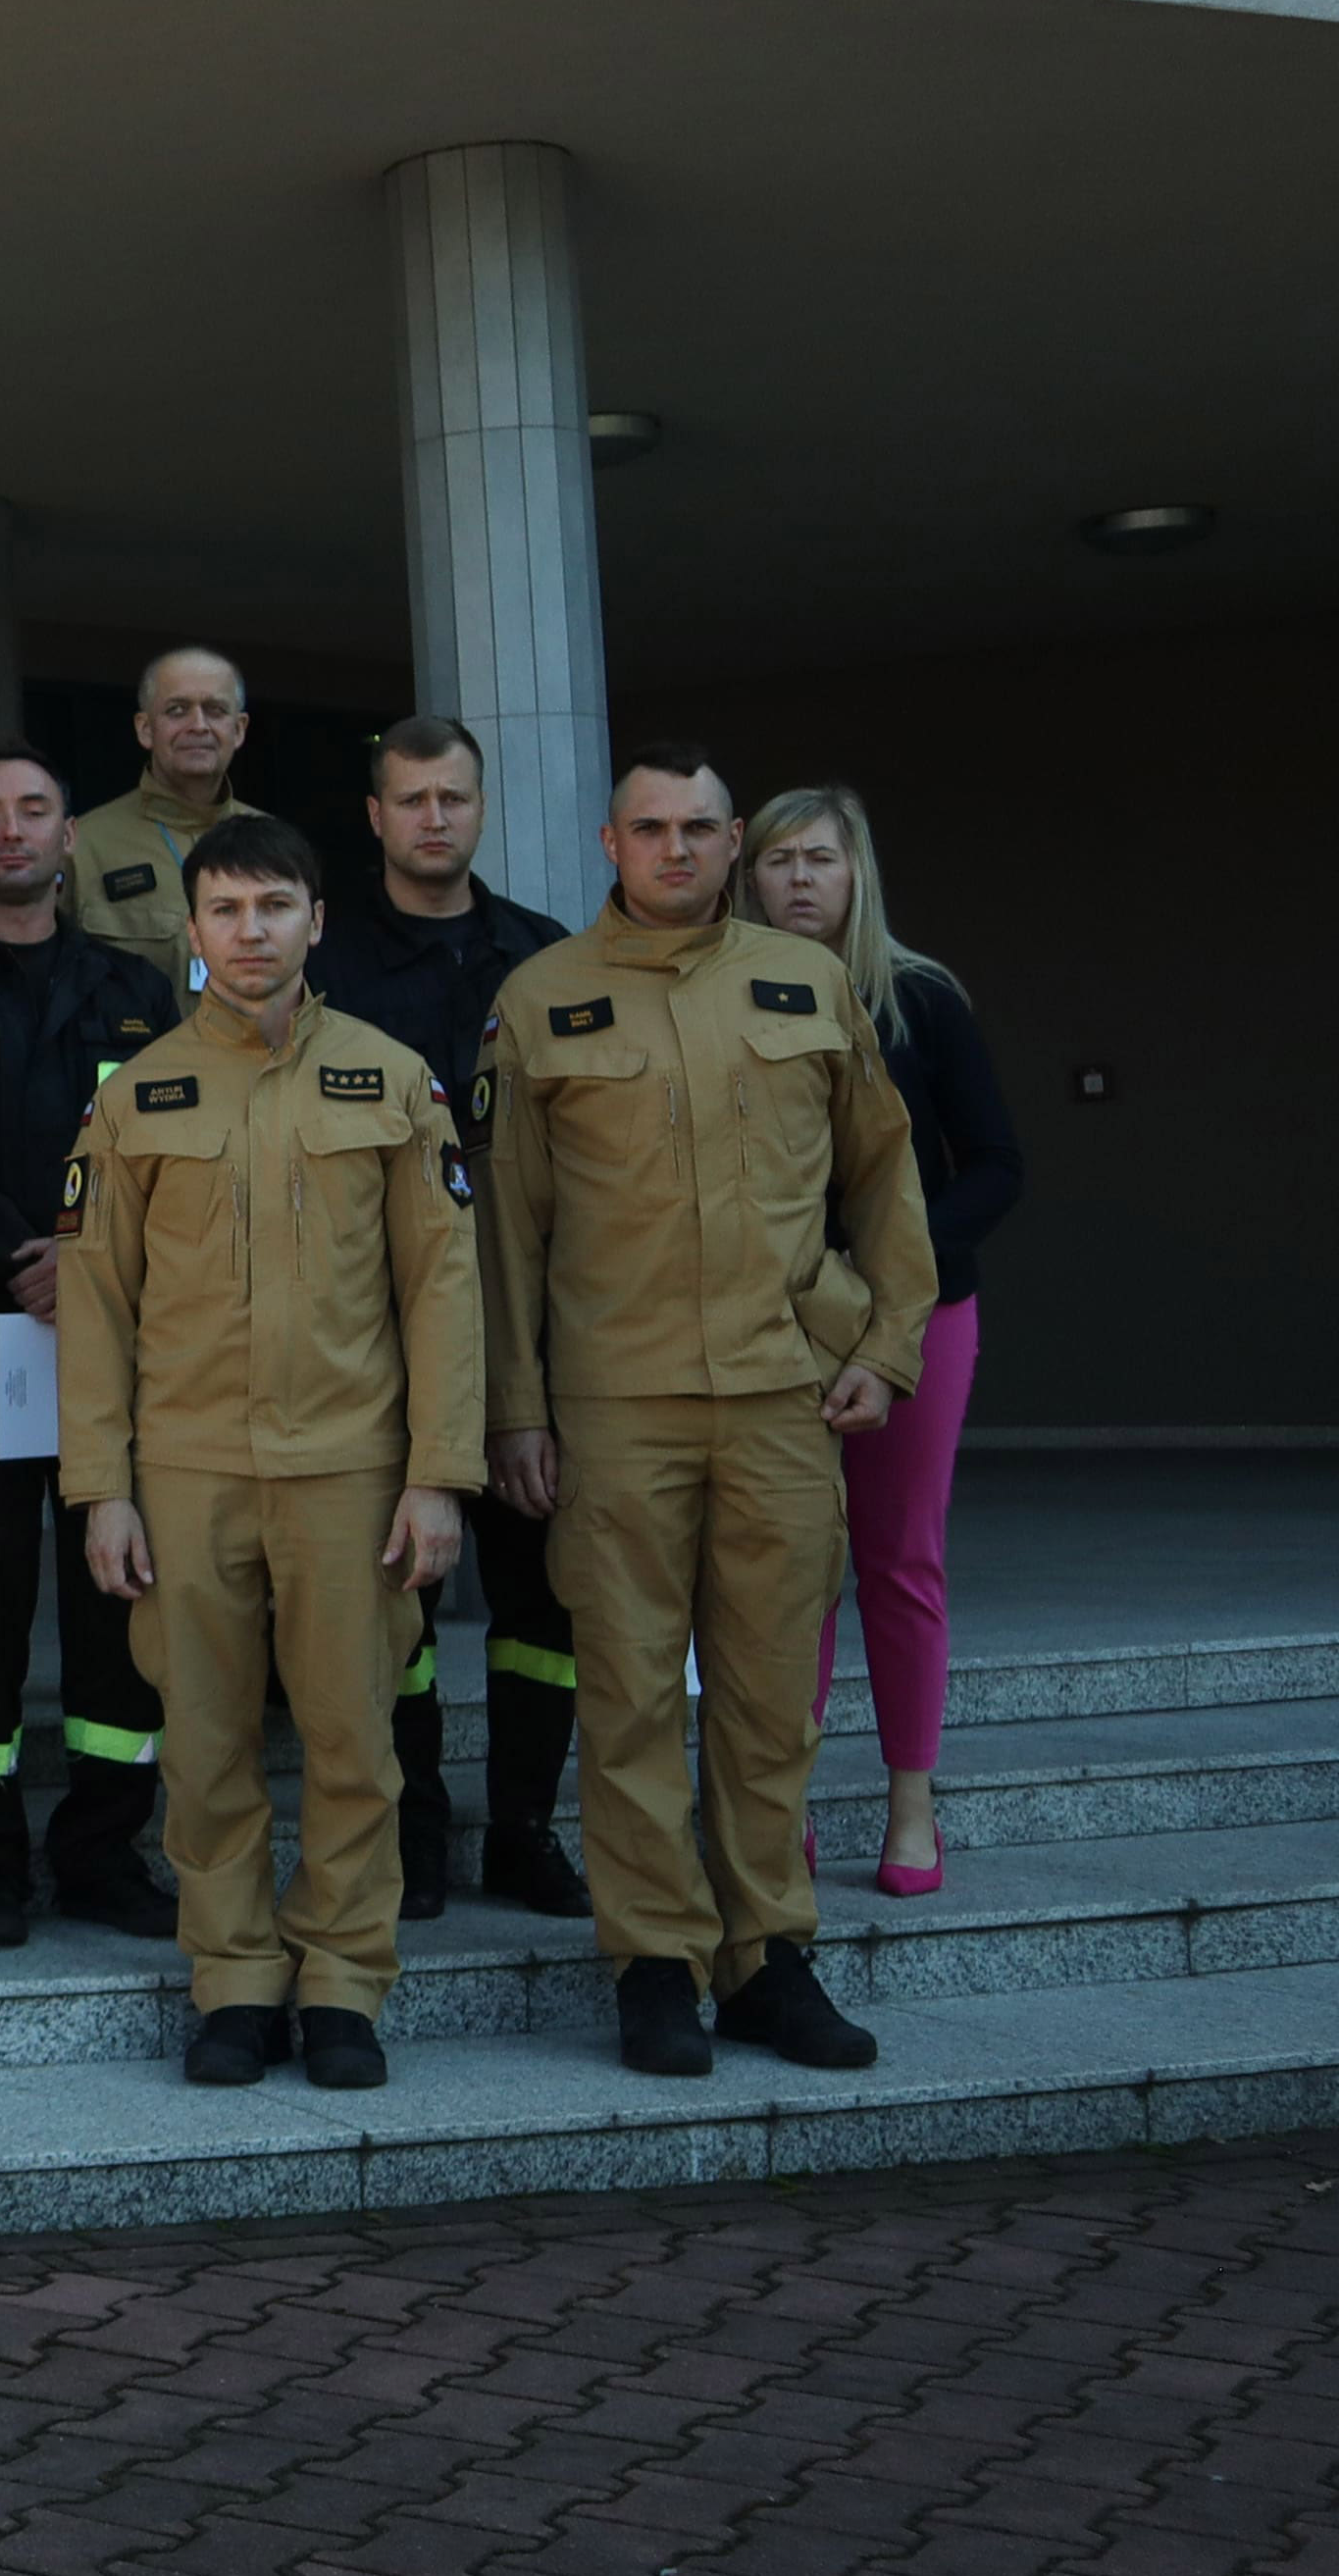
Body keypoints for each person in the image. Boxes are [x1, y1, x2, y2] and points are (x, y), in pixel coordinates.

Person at [485, 744, 936, 2081]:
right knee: (623, 1694)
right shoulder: (542, 997)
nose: (673, 850)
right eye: (647, 830)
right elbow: (504, 1232)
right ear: (608, 844)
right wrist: (514, 1410)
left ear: (736, 842)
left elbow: (885, 1175)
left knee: (764, 1701)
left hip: (780, 1398)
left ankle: (766, 1959)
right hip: (613, 1403)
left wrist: (888, 1344)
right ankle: (656, 1967)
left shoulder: (804, 984)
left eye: (697, 828)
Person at [58, 815, 481, 2092]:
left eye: (274, 908)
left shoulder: (394, 1079)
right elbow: (95, 1302)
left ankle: (346, 1985)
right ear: (192, 933)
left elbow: (443, 1287)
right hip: (187, 1476)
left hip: (352, 1472)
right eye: (227, 912)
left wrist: (436, 1473)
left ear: (315, 921)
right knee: (206, 1745)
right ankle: (236, 1982)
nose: (252, 933)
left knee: (356, 1740)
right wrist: (102, 1490)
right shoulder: (137, 1096)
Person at [0, 739, 176, 1943]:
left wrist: (91, 1258)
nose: (12, 831)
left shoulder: (140, 990)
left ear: (70, 839)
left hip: (117, 1333)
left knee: (121, 1599)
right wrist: (25, 1256)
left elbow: (168, 1151)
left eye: (36, 810)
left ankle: (106, 1849)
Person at [309, 716, 594, 1921]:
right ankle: (414, 1828)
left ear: (483, 811)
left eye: (455, 799)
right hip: (374, 1329)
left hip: (531, 1325)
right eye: (411, 799)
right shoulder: (327, 970)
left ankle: (523, 1830)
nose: (435, 819)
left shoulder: (547, 960)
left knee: (545, 1600)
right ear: (373, 816)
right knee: (396, 1597)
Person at [740, 783, 1020, 1898]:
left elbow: (998, 1165)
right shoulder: (730, 1005)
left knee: (898, 1561)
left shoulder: (919, 1000)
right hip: (776, 1326)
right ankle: (782, 1807)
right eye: (777, 860)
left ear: (857, 875)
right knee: (790, 1573)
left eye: (820, 858)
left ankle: (913, 1806)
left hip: (921, 1316)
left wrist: (884, 1265)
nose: (799, 879)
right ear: (747, 877)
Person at [65, 646, 255, 987]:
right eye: (177, 710)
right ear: (145, 728)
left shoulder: (274, 841)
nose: (198, 725)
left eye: (215, 710)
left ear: (239, 729)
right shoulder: (83, 846)